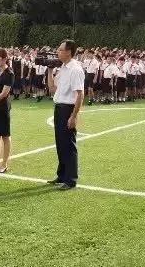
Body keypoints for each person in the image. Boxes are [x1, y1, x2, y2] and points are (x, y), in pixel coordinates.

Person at [48, 40, 85, 190]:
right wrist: (50, 71)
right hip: (58, 107)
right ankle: (62, 175)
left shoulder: (75, 69)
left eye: (60, 50)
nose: (57, 52)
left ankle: (70, 179)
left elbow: (80, 95)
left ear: (68, 52)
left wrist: (74, 116)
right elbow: (52, 89)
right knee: (60, 143)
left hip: (68, 108)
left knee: (69, 145)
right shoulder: (63, 68)